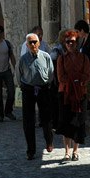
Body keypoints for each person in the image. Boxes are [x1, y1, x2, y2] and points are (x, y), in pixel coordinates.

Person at [18, 32, 54, 160]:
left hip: (43, 89)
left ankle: (49, 140)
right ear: (26, 45)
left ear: (39, 43)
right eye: (30, 43)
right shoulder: (23, 60)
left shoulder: (45, 57)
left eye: (35, 42)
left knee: (46, 118)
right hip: (28, 90)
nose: (33, 44)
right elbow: (19, 75)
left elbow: (51, 73)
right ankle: (31, 150)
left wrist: (47, 84)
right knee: (28, 120)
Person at [56, 30, 90, 162]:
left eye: (73, 41)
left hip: (80, 94)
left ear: (77, 42)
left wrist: (77, 80)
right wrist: (76, 78)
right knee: (66, 122)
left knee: (78, 122)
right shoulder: (61, 59)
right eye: (68, 42)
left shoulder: (84, 58)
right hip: (65, 93)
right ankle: (66, 151)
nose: (70, 44)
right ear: (64, 44)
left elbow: (87, 75)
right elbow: (61, 77)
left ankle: (75, 151)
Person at [50, 29, 67, 129]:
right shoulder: (57, 50)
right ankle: (55, 124)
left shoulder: (66, 49)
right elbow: (53, 64)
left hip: (63, 79)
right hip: (56, 80)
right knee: (56, 102)